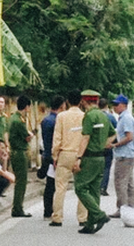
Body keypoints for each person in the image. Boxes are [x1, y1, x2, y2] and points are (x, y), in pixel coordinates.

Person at [73, 90, 116, 234]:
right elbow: (113, 133)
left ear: (84, 101)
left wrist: (78, 158)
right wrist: (104, 144)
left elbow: (85, 138)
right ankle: (90, 224)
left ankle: (99, 215)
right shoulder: (104, 116)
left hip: (90, 158)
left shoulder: (90, 116)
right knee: (94, 190)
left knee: (80, 187)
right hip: (101, 157)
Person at [50, 89, 89, 227]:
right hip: (80, 154)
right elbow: (87, 137)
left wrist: (55, 155)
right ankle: (82, 218)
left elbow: (57, 138)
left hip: (65, 154)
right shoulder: (85, 116)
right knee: (82, 187)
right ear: (81, 101)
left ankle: (57, 217)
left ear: (67, 101)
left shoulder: (61, 117)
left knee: (60, 187)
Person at [108, 94, 134, 218]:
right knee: (128, 182)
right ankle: (130, 206)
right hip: (127, 154)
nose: (115, 107)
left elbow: (129, 137)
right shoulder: (123, 117)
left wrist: (115, 145)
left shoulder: (126, 118)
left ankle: (122, 208)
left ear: (124, 105)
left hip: (124, 154)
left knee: (120, 182)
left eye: (117, 105)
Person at [40, 95, 65, 219]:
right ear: (61, 106)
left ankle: (47, 209)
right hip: (54, 155)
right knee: (53, 185)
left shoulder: (45, 120)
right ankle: (49, 210)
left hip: (47, 154)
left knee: (50, 184)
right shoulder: (57, 121)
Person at [8, 95, 34, 218]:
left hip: (15, 151)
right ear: (27, 106)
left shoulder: (13, 117)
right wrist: (32, 134)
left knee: (19, 180)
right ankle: (18, 208)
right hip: (19, 152)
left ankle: (18, 207)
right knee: (21, 182)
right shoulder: (19, 121)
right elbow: (27, 137)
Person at [99, 98, 118, 196]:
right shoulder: (111, 117)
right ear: (106, 106)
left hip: (96, 146)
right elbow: (116, 130)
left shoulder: (95, 116)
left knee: (97, 167)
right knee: (106, 168)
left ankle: (96, 187)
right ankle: (103, 187)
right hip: (108, 145)